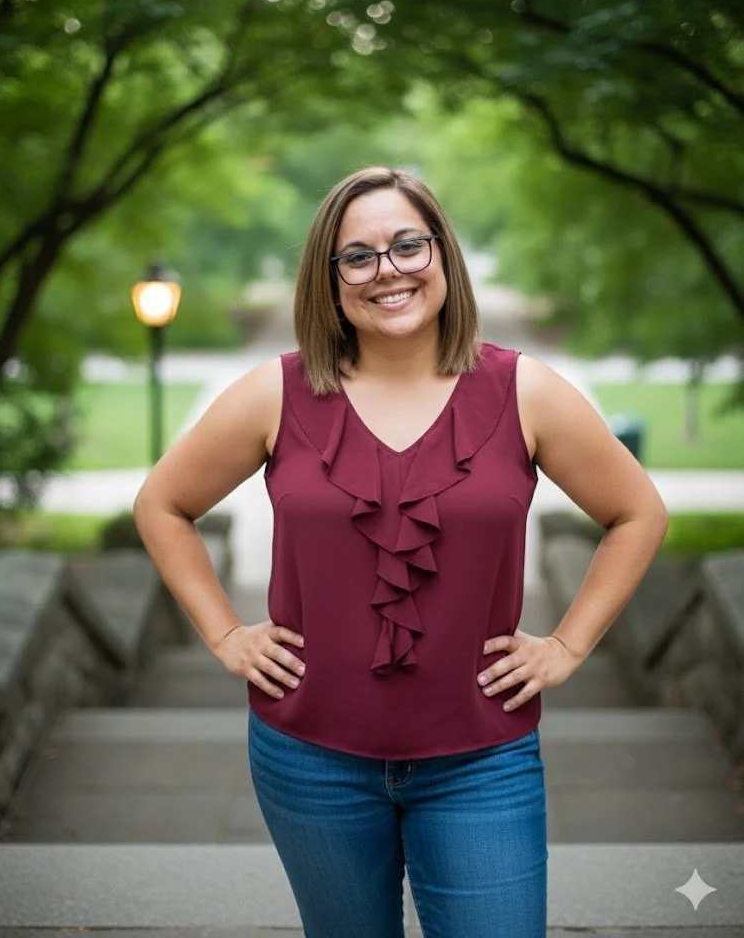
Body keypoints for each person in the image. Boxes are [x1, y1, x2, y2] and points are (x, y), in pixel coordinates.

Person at [133, 165, 669, 938]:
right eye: (358, 255)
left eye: (406, 245)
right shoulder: (272, 394)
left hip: (481, 756)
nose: (387, 271)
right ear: (330, 278)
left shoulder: (527, 393)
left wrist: (566, 643)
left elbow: (637, 513)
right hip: (308, 757)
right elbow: (163, 503)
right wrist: (224, 632)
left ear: (442, 254)